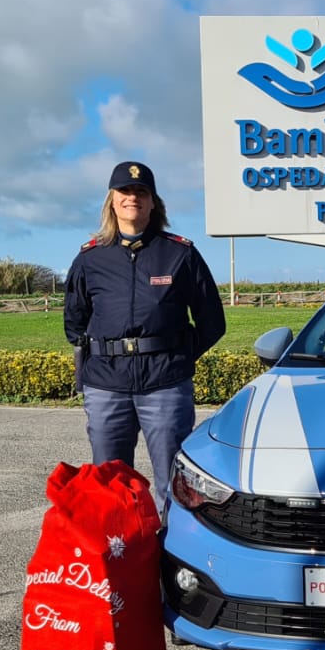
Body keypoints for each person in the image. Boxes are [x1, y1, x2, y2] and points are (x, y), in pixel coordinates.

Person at [64, 161, 226, 520]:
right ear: (112, 201)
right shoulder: (90, 259)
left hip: (164, 385)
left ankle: (171, 559)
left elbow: (212, 322)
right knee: (109, 483)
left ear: (153, 203)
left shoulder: (180, 254)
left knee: (173, 483)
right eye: (124, 192)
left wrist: (177, 357)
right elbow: (74, 323)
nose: (132, 198)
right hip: (106, 384)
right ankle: (117, 560)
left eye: (141, 192)